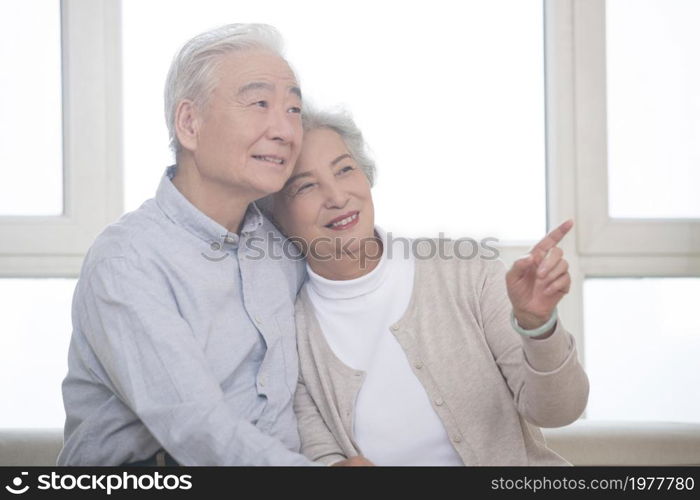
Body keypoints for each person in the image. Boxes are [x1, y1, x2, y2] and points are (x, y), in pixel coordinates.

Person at [267, 109, 590, 466]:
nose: (337, 196)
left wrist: (538, 326)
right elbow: (320, 453)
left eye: (344, 169)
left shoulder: (467, 271)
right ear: (275, 216)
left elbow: (561, 411)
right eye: (305, 185)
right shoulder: (287, 335)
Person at [58, 24, 317, 466]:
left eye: (294, 109)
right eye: (260, 103)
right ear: (189, 123)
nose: (285, 130)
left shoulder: (282, 248)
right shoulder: (128, 261)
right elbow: (198, 432)